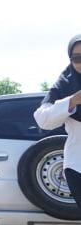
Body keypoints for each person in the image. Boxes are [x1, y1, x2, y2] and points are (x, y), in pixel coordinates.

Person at [34, 34, 81, 211]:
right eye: (78, 58)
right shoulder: (65, 85)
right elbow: (42, 119)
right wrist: (72, 101)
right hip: (78, 166)